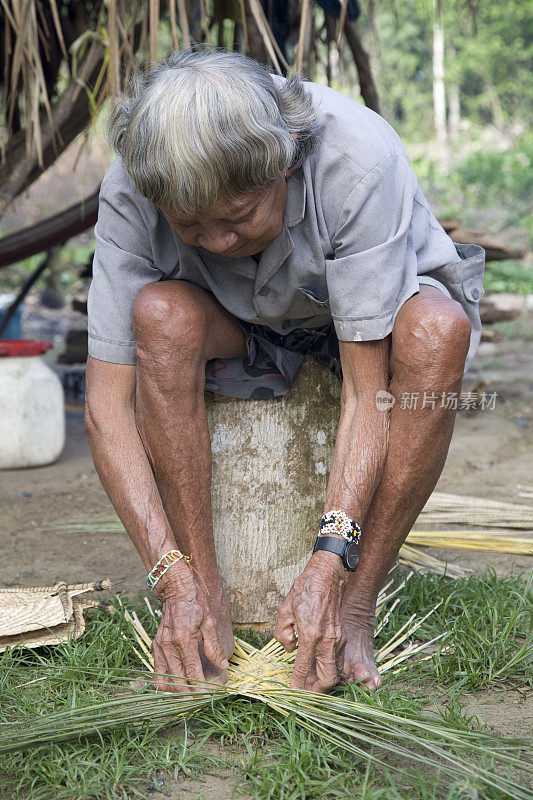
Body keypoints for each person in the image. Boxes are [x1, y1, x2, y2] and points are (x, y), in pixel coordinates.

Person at [85, 47, 485, 694]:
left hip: (368, 321)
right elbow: (105, 408)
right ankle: (205, 593)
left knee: (436, 332)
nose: (217, 243)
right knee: (160, 314)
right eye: (190, 226)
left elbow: (365, 392)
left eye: (238, 218)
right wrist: (172, 574)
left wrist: (330, 561)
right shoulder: (134, 181)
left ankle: (354, 606)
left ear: (287, 160)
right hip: (240, 320)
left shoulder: (353, 157)